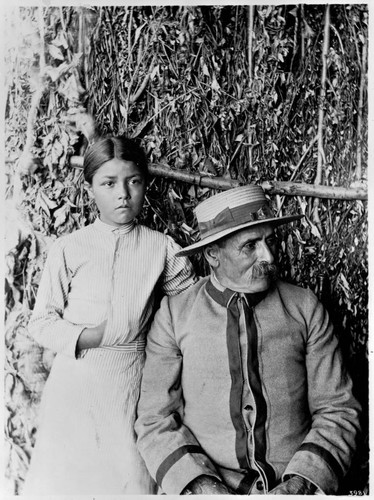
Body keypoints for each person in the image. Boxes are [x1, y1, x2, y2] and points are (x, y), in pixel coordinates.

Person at [135, 184, 361, 495]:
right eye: (250, 246)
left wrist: (298, 484)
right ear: (213, 254)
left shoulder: (305, 308)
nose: (267, 255)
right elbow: (155, 419)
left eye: (269, 241)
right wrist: (203, 487)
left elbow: (337, 409)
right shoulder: (175, 315)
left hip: (295, 485)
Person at [23, 136, 197, 495]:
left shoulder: (160, 248)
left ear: (144, 186)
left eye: (133, 181)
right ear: (90, 190)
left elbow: (190, 306)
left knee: (126, 478)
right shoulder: (70, 248)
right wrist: (97, 335)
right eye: (108, 183)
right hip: (75, 382)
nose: (123, 194)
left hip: (131, 382)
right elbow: (41, 322)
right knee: (70, 480)